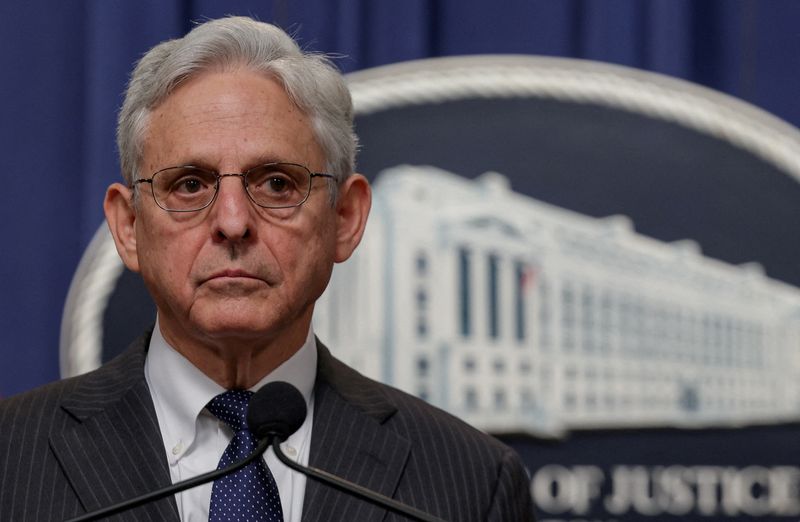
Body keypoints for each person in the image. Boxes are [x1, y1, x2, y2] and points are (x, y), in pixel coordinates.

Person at [0, 16, 534, 522]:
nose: (233, 222)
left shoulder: (470, 483)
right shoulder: (10, 460)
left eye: (277, 183)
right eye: (190, 184)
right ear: (128, 227)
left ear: (345, 219)